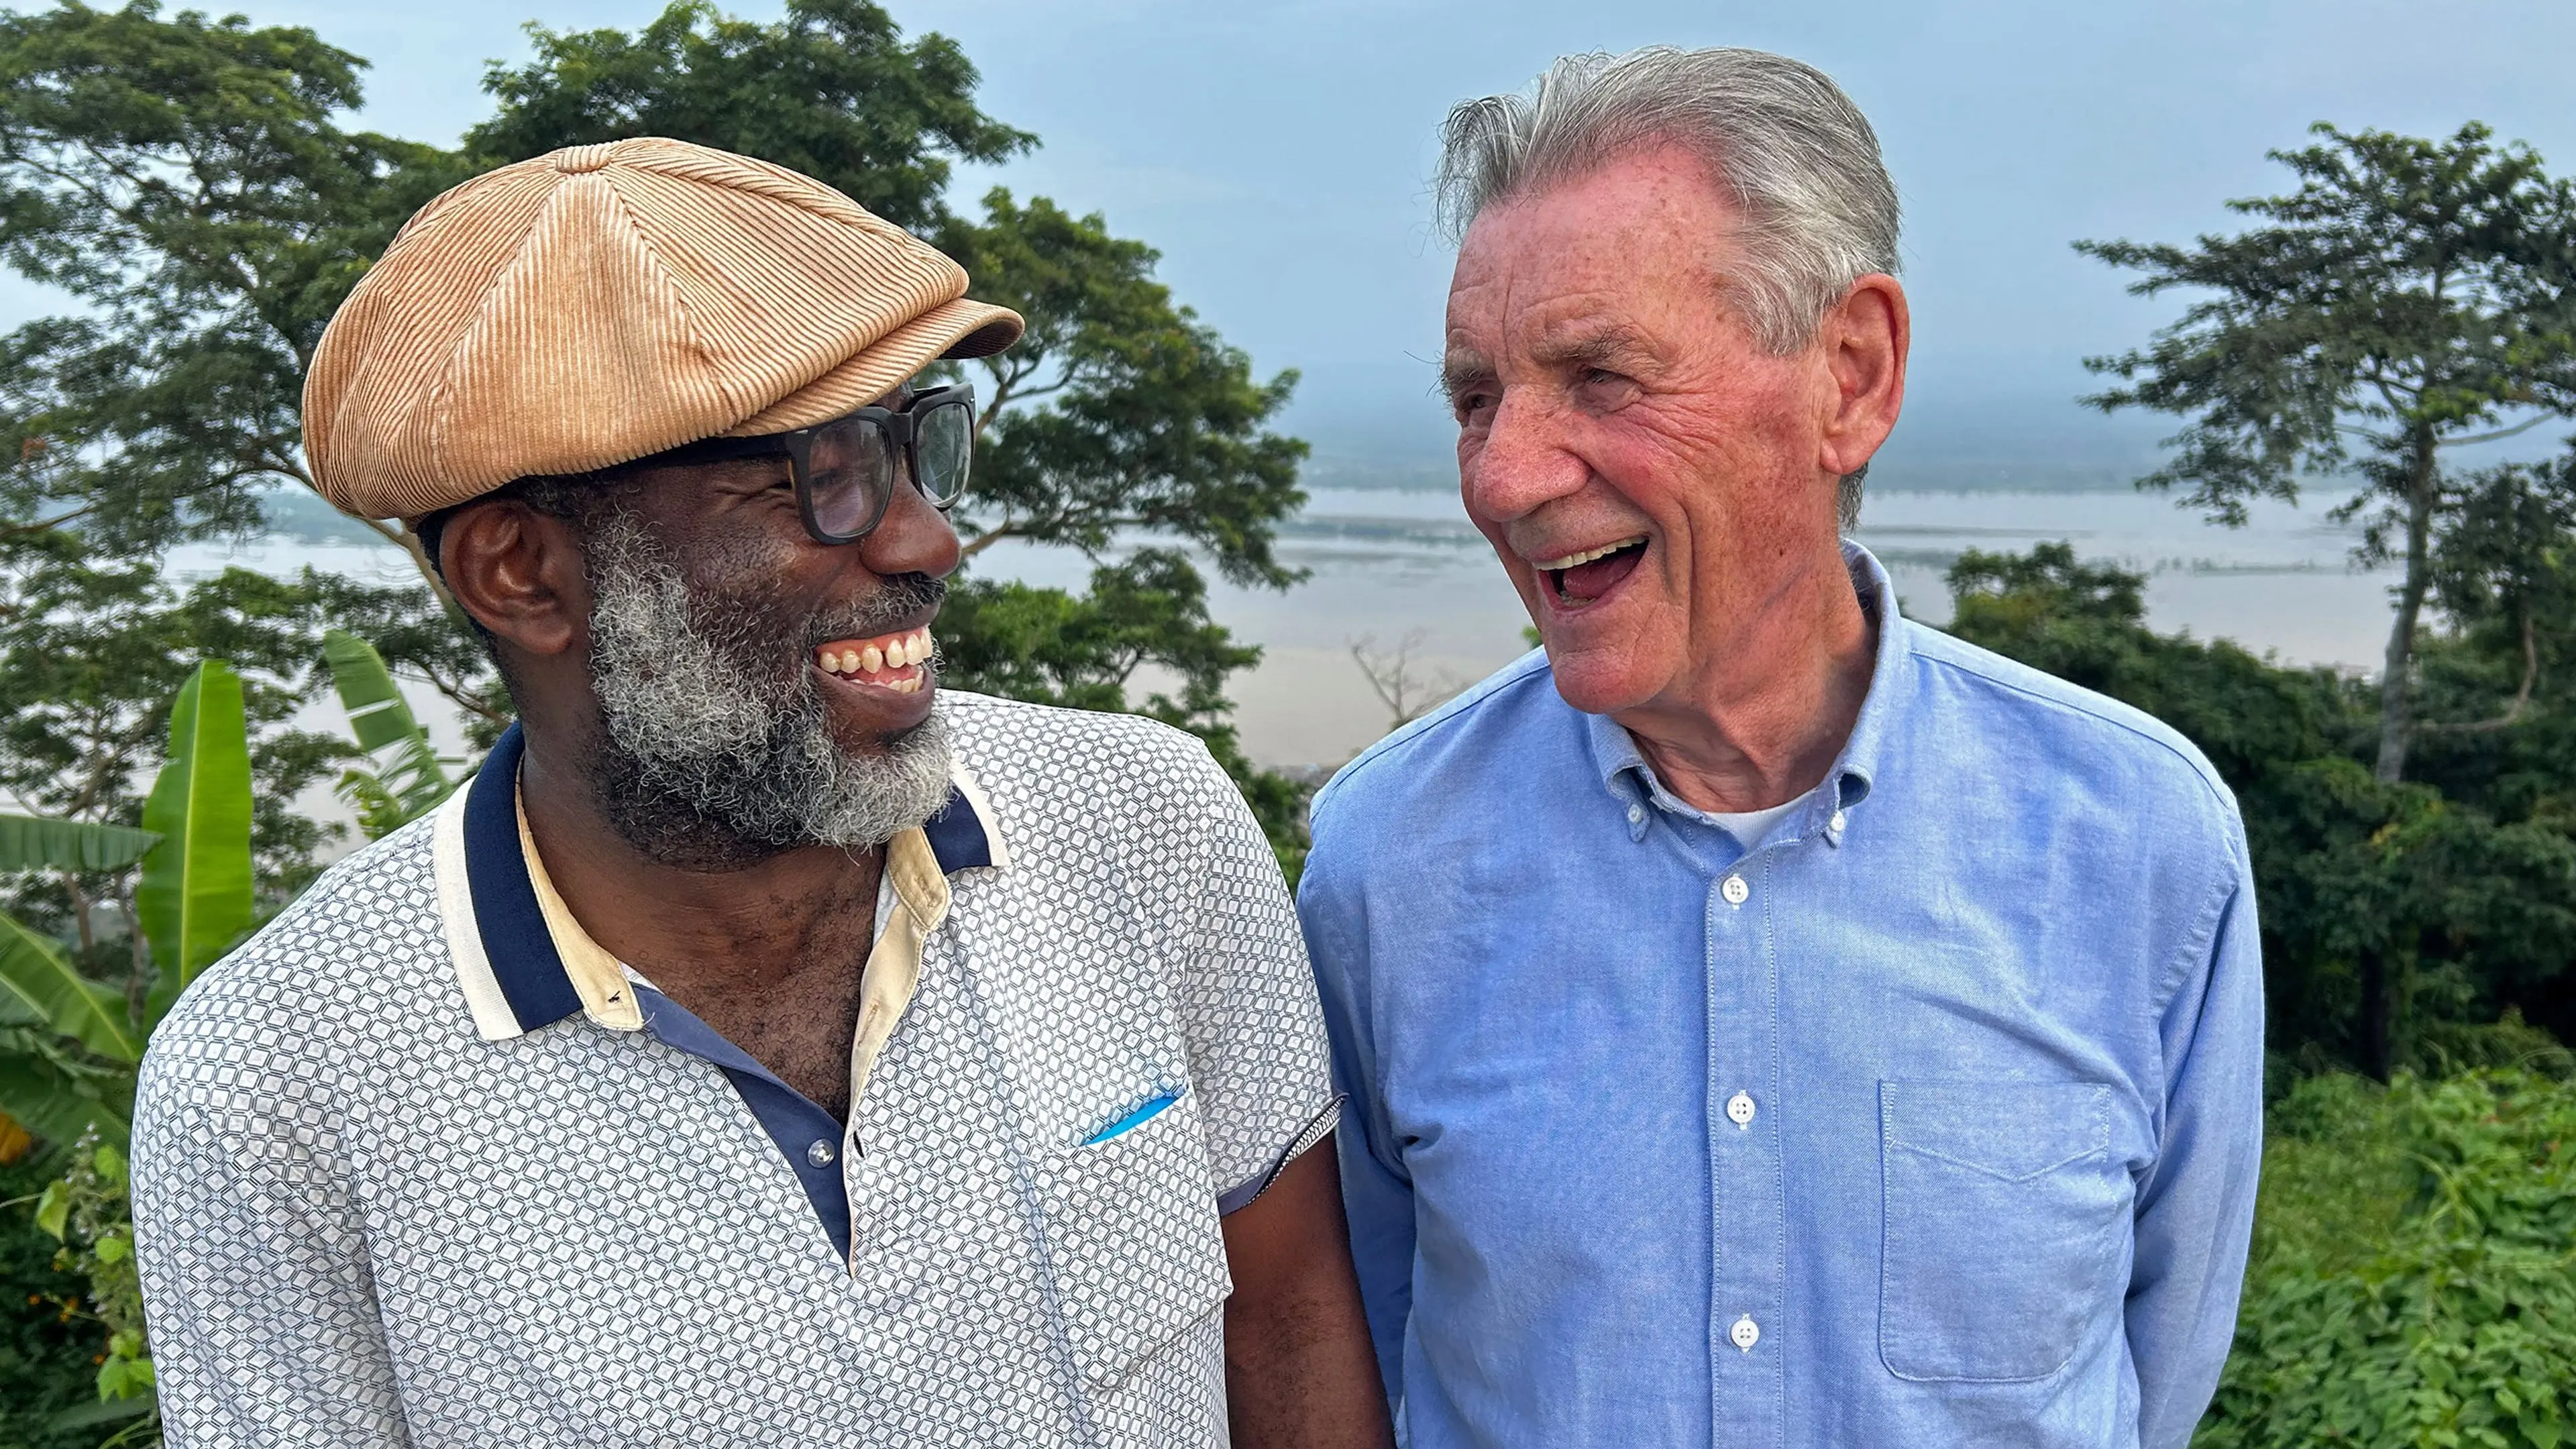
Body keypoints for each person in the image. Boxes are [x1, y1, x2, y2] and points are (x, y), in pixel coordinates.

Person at [132, 137, 1391, 1449]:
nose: (927, 540)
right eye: (823, 474)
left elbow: (1288, 1317)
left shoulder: (1136, 825)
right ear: (523, 573)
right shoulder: (273, 1090)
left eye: (916, 447)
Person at [1298, 48, 2263, 1449]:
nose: (1504, 477)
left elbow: (2159, 1355)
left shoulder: (2138, 840)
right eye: (1474, 399)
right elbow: (1357, 1347)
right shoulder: (1390, 862)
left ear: (1851, 378)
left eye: (1601, 376)